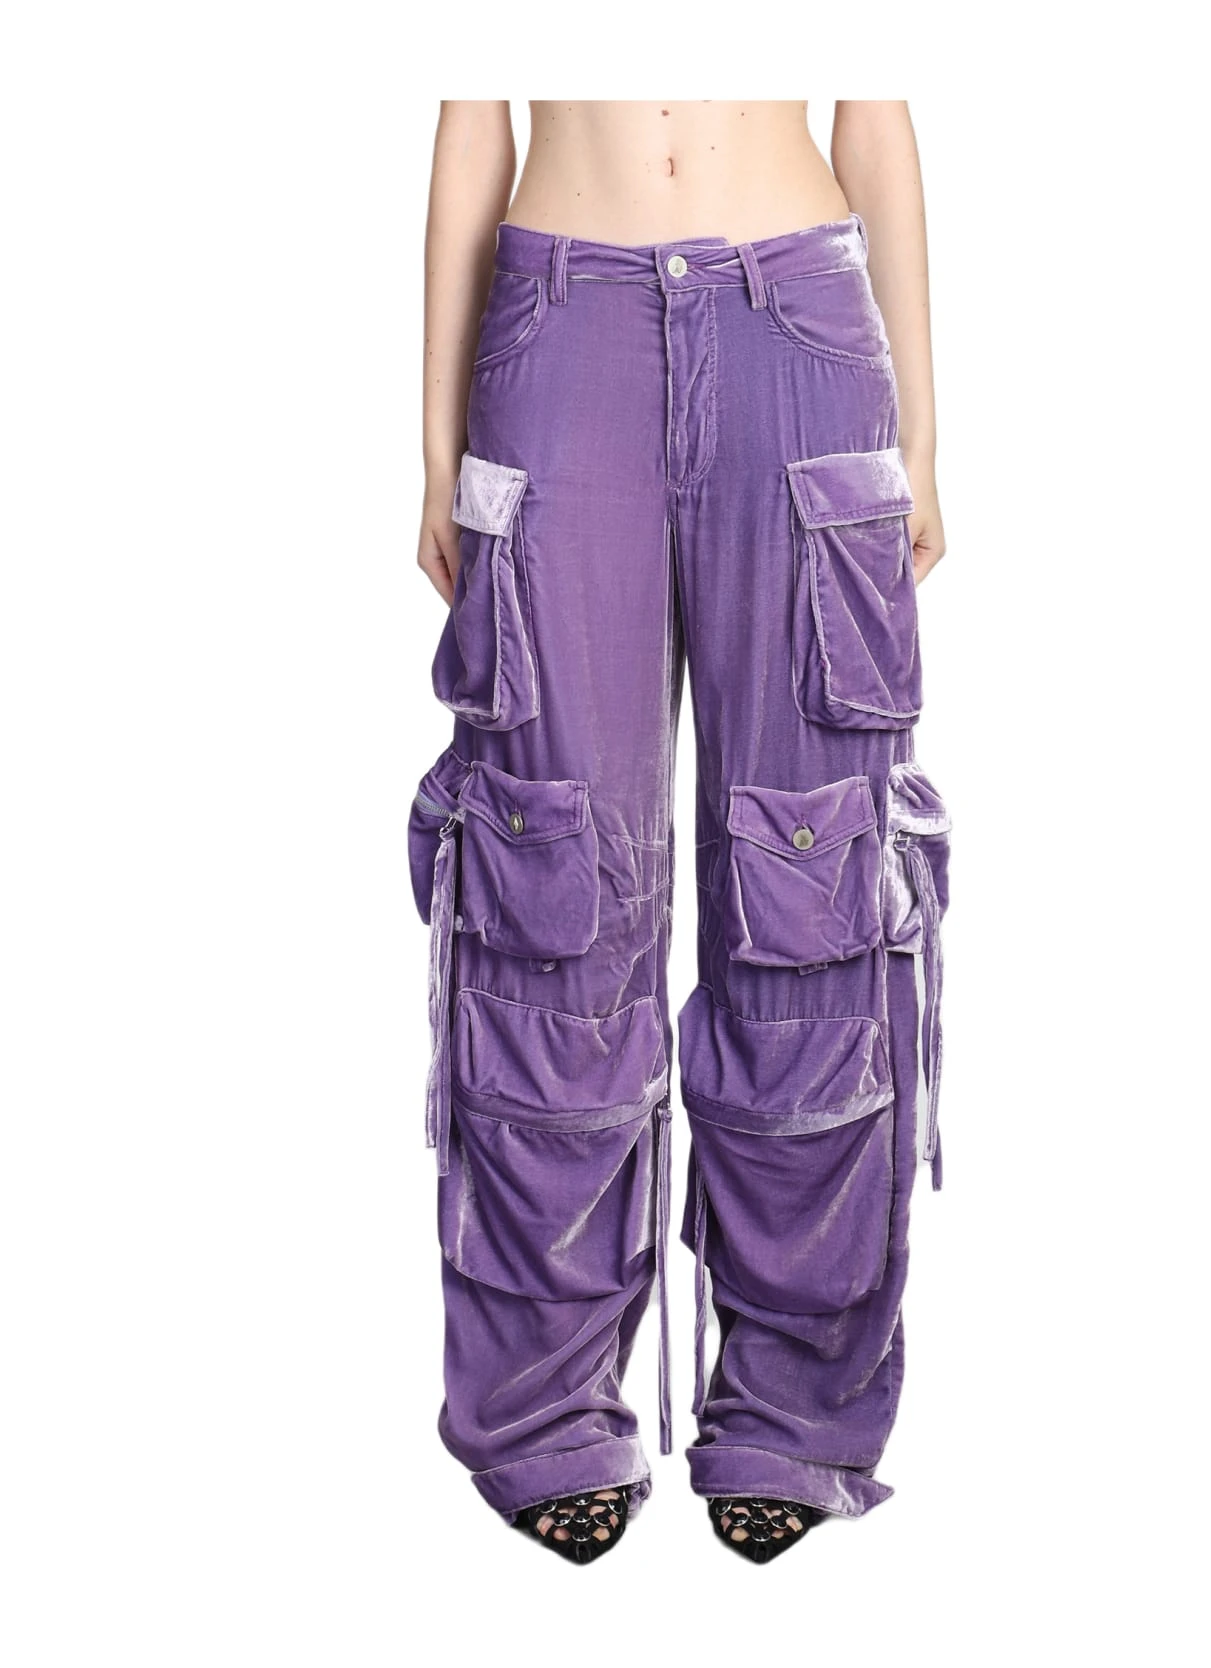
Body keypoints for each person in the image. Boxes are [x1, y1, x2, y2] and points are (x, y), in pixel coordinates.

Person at [409, 99, 952, 1565]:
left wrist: (923, 433)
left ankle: (790, 1412)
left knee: (813, 873)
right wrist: (435, 442)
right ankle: (545, 1413)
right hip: (556, 321)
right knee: (546, 869)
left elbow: (875, 110)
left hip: (801, 327)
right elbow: (470, 110)